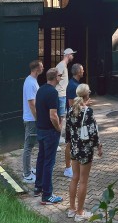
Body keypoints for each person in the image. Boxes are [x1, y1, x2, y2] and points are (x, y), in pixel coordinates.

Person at [66, 84, 102, 222]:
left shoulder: (71, 110)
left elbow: (68, 131)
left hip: (74, 148)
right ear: (87, 95)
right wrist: (98, 146)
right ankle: (80, 212)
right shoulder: (88, 111)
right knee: (83, 181)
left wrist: (70, 144)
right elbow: (93, 132)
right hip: (85, 149)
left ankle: (71, 208)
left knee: (74, 177)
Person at [34, 68, 63, 205]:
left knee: (41, 158)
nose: (61, 78)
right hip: (50, 132)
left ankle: (37, 187)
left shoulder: (40, 90)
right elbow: (53, 115)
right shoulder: (53, 92)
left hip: (40, 129)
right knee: (48, 162)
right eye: (60, 76)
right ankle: (47, 195)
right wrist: (58, 129)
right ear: (55, 77)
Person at [56, 47, 77, 178]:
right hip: (61, 95)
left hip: (62, 94)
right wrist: (61, 87)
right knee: (61, 117)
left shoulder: (63, 65)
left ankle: (59, 138)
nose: (73, 56)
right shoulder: (61, 65)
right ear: (68, 55)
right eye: (72, 55)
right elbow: (56, 77)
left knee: (62, 117)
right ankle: (57, 139)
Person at [22, 60, 44, 183]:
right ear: (36, 69)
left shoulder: (31, 81)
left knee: (29, 145)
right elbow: (31, 104)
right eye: (41, 66)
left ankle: (29, 169)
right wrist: (37, 118)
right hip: (31, 119)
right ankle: (26, 174)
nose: (43, 68)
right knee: (28, 146)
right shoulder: (30, 83)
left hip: (31, 119)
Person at [65, 63, 85, 179]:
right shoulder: (73, 86)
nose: (83, 71)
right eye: (82, 69)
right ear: (78, 72)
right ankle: (68, 168)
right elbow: (72, 105)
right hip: (73, 118)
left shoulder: (76, 84)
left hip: (76, 117)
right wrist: (84, 106)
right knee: (70, 143)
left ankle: (73, 165)